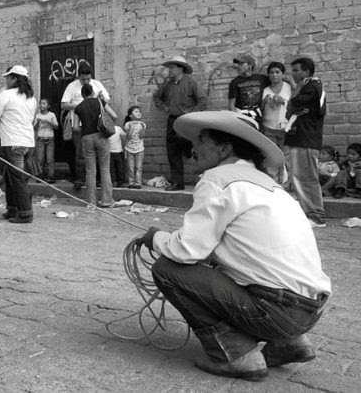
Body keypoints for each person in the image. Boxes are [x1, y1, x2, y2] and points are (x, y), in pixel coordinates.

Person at [139, 111, 331, 382]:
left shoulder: (218, 178)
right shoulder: (268, 184)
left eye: (201, 141)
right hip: (309, 311)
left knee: (167, 269)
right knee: (223, 267)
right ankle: (289, 342)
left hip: (276, 311)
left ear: (224, 148)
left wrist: (155, 238)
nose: (194, 148)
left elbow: (187, 250)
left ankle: (236, 354)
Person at [0, 65, 37, 224]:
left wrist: (1, 96)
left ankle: (25, 213)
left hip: (12, 142)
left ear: (14, 79)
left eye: (8, 78)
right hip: (27, 142)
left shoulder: (6, 94)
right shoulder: (31, 98)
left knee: (17, 179)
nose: (6, 80)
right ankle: (12, 208)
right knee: (10, 177)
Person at [152, 55, 207, 191]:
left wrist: (192, 115)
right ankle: (177, 183)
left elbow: (202, 100)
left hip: (188, 122)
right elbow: (157, 97)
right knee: (173, 152)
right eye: (169, 67)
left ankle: (204, 182)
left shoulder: (191, 82)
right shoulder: (168, 84)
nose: (169, 70)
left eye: (172, 67)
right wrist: (165, 107)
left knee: (195, 151)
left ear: (180, 68)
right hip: (173, 121)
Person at [284, 57, 327, 228]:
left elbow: (294, 102)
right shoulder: (307, 86)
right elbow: (289, 112)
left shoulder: (311, 86)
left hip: (306, 139)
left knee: (307, 178)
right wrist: (294, 106)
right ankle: (308, 213)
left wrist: (295, 93)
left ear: (306, 72)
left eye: (296, 71)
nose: (292, 74)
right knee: (299, 178)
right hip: (299, 138)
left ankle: (317, 216)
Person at [61, 66, 111, 190]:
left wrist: (99, 99)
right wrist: (81, 106)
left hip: (97, 125)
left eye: (88, 79)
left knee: (99, 153)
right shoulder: (72, 86)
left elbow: (106, 100)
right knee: (80, 153)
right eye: (83, 79)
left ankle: (98, 180)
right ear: (78, 77)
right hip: (79, 125)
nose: (86, 82)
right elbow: (64, 105)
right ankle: (80, 178)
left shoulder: (97, 84)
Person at [74, 83, 118, 208]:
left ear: (82, 94)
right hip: (101, 136)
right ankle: (107, 201)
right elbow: (114, 116)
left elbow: (75, 128)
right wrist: (108, 124)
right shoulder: (100, 102)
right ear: (92, 92)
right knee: (104, 169)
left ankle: (91, 202)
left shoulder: (78, 107)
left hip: (86, 138)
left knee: (90, 170)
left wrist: (85, 128)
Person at [260, 61, 292, 184]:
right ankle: (273, 184)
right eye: (271, 72)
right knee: (271, 157)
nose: (274, 75)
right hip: (269, 128)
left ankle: (288, 184)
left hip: (286, 127)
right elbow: (260, 110)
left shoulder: (289, 88)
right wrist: (264, 102)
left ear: (282, 74)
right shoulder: (265, 90)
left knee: (287, 157)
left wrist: (283, 101)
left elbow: (295, 106)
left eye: (277, 72)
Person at [228, 53, 269, 123]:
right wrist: (237, 119)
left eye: (241, 64)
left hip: (257, 116)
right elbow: (231, 104)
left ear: (250, 65)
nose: (238, 66)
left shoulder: (261, 79)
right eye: (238, 64)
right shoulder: (235, 82)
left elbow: (276, 80)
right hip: (242, 117)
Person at [33, 98, 58, 183]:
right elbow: (34, 128)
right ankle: (40, 176)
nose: (41, 105)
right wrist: (38, 122)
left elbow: (56, 127)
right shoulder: (37, 115)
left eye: (44, 103)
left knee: (50, 159)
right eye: (40, 103)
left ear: (48, 106)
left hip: (50, 139)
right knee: (40, 159)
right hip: (40, 138)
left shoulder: (52, 115)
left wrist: (49, 122)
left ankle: (51, 177)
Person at [123, 105, 146, 189]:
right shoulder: (127, 124)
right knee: (130, 167)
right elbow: (128, 136)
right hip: (129, 149)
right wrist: (132, 126)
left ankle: (138, 183)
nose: (139, 113)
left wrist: (142, 127)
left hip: (139, 149)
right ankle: (131, 182)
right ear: (130, 115)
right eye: (136, 112)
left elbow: (142, 136)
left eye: (139, 112)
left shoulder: (142, 124)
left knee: (138, 167)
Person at [108, 124, 127, 188]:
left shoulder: (118, 128)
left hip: (118, 151)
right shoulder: (106, 129)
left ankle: (120, 182)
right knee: (112, 169)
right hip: (110, 152)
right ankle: (114, 182)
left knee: (120, 168)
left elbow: (124, 134)